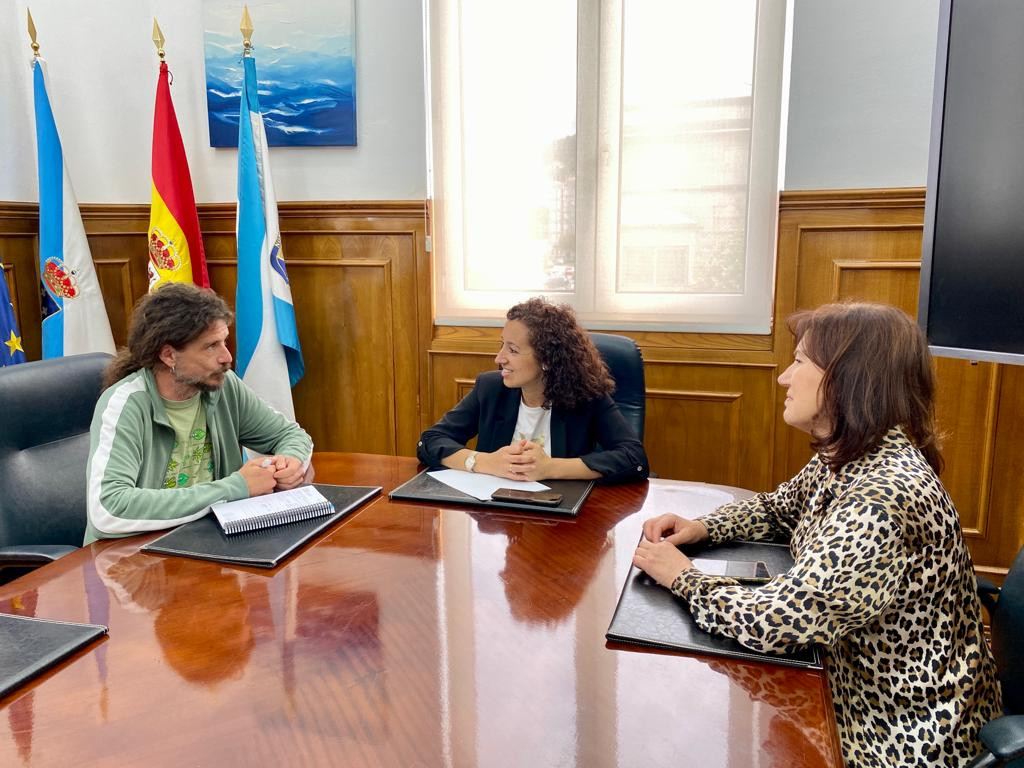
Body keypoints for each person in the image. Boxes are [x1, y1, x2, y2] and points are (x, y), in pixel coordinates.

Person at [632, 302, 1001, 767]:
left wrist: (683, 577)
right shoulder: (854, 452)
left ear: (848, 379)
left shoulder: (881, 499)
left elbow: (776, 622)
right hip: (844, 674)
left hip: (897, 730)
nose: (784, 378)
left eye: (800, 361)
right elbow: (777, 508)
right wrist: (704, 526)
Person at [85, 283, 313, 544]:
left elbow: (289, 435)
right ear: (169, 355)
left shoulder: (223, 385)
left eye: (224, 341)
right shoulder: (124, 404)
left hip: (208, 542)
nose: (227, 357)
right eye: (211, 346)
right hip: (132, 554)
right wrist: (236, 487)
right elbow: (107, 509)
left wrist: (290, 462)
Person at [417, 297, 648, 483]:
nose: (499, 358)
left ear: (546, 359)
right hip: (496, 516)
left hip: (560, 517)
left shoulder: (587, 396)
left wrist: (550, 468)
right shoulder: (490, 388)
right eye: (502, 345)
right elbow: (430, 441)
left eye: (513, 350)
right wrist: (485, 462)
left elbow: (634, 458)